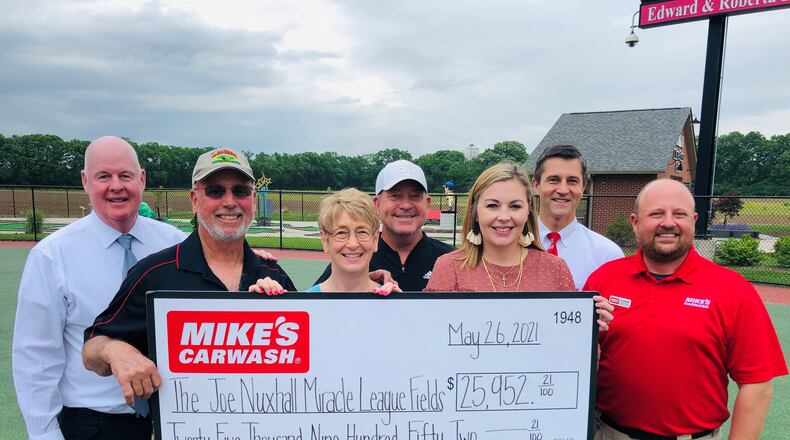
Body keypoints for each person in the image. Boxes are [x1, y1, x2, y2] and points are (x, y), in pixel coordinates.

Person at [82, 148, 296, 416]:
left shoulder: (273, 276)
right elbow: (92, 346)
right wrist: (114, 350)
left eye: (240, 191)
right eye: (215, 191)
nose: (229, 202)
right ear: (194, 200)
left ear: (252, 199)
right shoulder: (154, 274)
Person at [12, 136, 187, 440]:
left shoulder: (175, 244)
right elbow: (36, 358)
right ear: (85, 181)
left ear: (142, 179)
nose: (116, 186)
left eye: (125, 175)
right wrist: (45, 435)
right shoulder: (53, 255)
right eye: (103, 176)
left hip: (171, 420)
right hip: (93, 425)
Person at [585, 179, 787, 440]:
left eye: (679, 214)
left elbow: (757, 385)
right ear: (635, 222)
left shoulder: (733, 290)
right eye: (656, 213)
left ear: (693, 220)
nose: (668, 222)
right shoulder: (604, 279)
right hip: (610, 433)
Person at [424, 163, 613, 329]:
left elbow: (572, 353)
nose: (504, 216)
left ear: (528, 211)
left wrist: (589, 330)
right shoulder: (450, 267)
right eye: (492, 206)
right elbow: (430, 341)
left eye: (515, 206)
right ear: (475, 211)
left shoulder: (555, 268)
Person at [314, 160, 453, 291]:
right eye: (395, 195)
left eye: (415, 196)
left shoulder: (453, 261)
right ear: (377, 204)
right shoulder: (354, 259)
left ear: (427, 203)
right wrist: (357, 284)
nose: (405, 205)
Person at [532, 144, 623, 289]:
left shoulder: (607, 255)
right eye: (553, 180)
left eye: (572, 181)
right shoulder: (510, 246)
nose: (562, 190)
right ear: (536, 185)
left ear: (583, 187)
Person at [305, 188, 400, 294]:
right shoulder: (304, 304)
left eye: (362, 232)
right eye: (341, 233)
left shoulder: (392, 301)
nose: (353, 244)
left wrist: (399, 305)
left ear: (375, 238)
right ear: (325, 240)